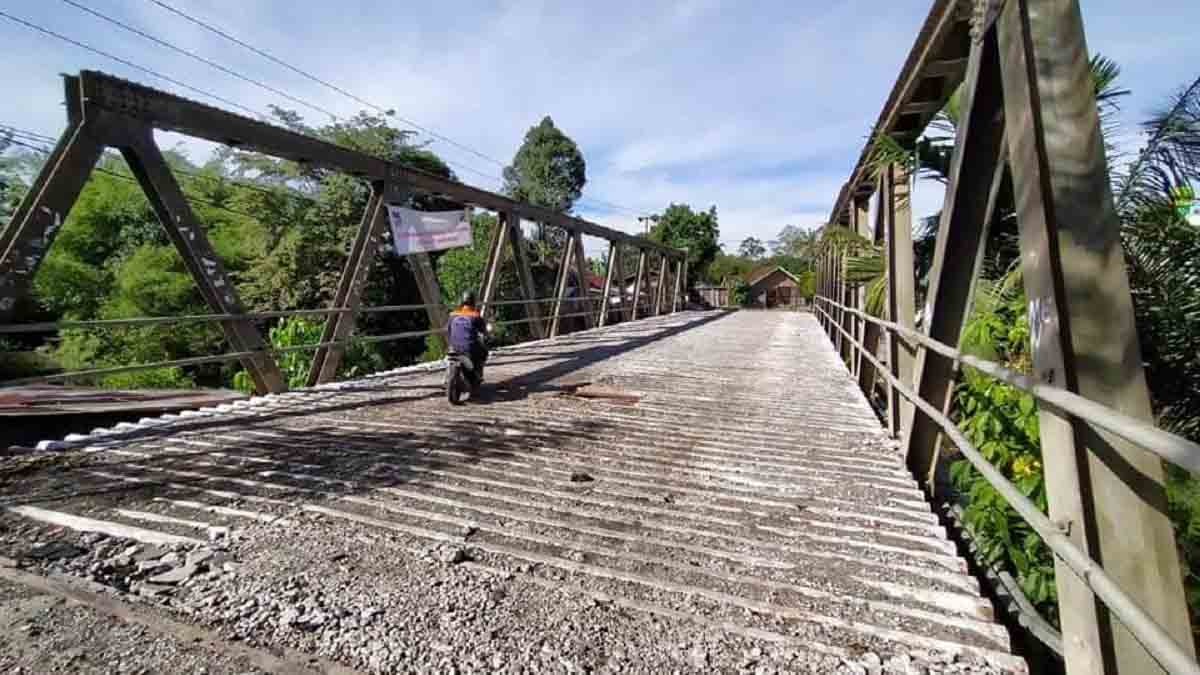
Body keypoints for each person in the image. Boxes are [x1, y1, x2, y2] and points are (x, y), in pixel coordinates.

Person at [447, 290, 489, 381]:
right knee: (484, 352)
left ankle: (447, 378)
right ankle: (478, 375)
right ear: (473, 302)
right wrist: (487, 335)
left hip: (454, 348)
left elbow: (449, 331)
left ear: (461, 302)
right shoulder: (476, 316)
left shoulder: (452, 315)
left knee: (450, 359)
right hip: (469, 348)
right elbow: (484, 332)